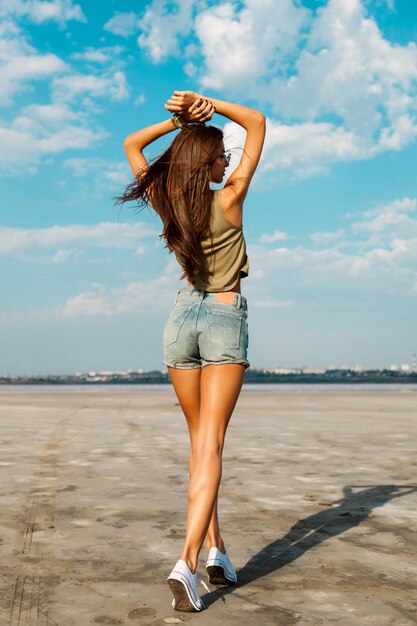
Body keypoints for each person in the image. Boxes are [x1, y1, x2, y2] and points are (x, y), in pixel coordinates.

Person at [116, 90, 266, 612]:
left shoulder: (167, 200)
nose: (228, 160)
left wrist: (178, 123)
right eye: (223, 154)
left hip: (181, 319)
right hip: (224, 318)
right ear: (209, 161)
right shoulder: (231, 198)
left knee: (201, 445)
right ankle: (185, 560)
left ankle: (216, 551)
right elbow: (259, 122)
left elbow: (133, 143)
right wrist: (211, 106)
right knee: (212, 446)